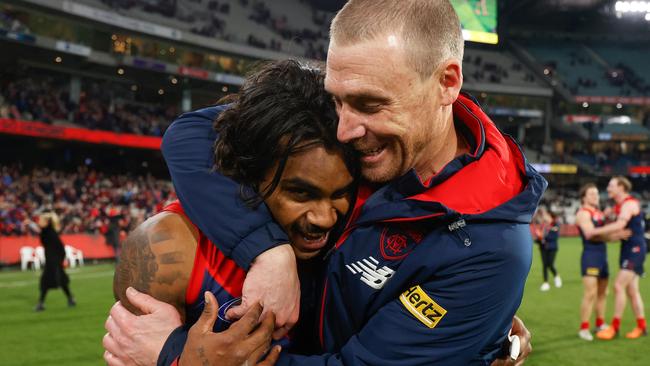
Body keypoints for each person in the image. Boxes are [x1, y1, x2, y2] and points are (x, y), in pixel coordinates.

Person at [107, 1, 542, 364]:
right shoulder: (367, 132)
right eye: (338, 99)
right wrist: (268, 250)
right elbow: (190, 133)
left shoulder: (488, 245)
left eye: (369, 104)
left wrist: (176, 355)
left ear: (446, 82)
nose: (345, 128)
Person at [104, 60, 356, 366]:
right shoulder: (167, 248)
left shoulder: (364, 227)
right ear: (249, 172)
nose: (324, 218)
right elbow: (130, 353)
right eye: (301, 193)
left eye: (341, 193)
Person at [574, 183, 630, 341]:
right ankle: (584, 328)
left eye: (597, 193)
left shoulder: (598, 212)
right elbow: (590, 235)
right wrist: (615, 234)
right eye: (591, 194)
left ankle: (599, 323)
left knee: (603, 293)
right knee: (590, 293)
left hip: (602, 256)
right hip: (590, 256)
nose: (595, 196)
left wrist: (613, 236)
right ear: (584, 197)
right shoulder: (583, 213)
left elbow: (603, 236)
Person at [596, 176, 647, 340]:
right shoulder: (619, 206)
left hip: (635, 249)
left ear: (621, 187)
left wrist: (595, 232)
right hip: (628, 249)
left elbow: (619, 225)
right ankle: (641, 326)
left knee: (618, 285)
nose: (608, 188)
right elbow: (619, 229)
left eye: (611, 185)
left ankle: (614, 328)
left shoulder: (628, 204)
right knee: (632, 291)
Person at [30, 211, 76, 311]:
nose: (39, 222)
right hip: (52, 261)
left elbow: (61, 248)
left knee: (46, 282)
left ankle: (41, 304)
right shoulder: (47, 231)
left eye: (41, 220)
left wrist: (60, 260)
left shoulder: (50, 233)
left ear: (47, 222)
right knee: (61, 281)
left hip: (53, 262)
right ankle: (70, 299)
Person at [534, 209, 561, 292]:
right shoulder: (542, 226)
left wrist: (542, 236)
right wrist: (538, 239)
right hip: (543, 248)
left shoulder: (555, 225)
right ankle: (545, 283)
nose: (545, 218)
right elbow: (538, 239)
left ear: (551, 217)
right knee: (545, 265)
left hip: (552, 247)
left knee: (550, 264)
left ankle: (556, 276)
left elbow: (554, 237)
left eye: (547, 216)